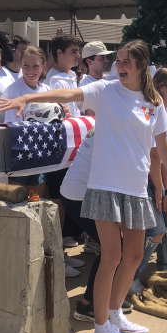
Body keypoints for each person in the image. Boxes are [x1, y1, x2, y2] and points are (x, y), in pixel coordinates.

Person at [0, 40, 167, 333]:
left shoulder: (154, 101)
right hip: (105, 185)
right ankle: (102, 329)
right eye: (117, 60)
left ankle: (115, 314)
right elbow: (67, 94)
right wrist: (28, 97)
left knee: (134, 255)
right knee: (112, 255)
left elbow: (162, 146)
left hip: (135, 188)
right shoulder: (105, 90)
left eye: (126, 62)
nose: (119, 66)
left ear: (142, 66)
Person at [60, 127, 135, 319]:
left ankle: (104, 299)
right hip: (81, 195)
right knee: (112, 249)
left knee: (112, 248)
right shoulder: (113, 130)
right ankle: (88, 305)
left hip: (82, 191)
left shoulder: (110, 120)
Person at [127, 68, 167, 295]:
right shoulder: (151, 110)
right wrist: (165, 192)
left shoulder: (166, 112)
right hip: (144, 181)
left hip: (160, 181)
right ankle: (131, 277)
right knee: (157, 230)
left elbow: (165, 158)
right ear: (161, 87)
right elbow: (155, 157)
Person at [44, 34, 83, 249]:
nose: (78, 56)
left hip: (76, 144)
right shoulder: (54, 80)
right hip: (61, 145)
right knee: (59, 193)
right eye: (73, 51)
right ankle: (60, 239)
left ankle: (71, 231)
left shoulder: (71, 76)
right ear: (59, 53)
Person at [3, 45, 50, 196]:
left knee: (36, 203)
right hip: (20, 157)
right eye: (26, 66)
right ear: (21, 65)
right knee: (17, 204)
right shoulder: (13, 91)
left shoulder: (46, 90)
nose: (30, 71)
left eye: (35, 66)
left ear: (43, 66)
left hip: (40, 155)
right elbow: (12, 127)